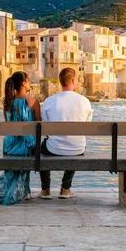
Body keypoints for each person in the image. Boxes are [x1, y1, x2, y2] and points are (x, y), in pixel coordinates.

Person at [38, 67, 92, 200]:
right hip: (77, 148)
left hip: (53, 148)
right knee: (75, 143)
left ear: (60, 82)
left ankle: (45, 190)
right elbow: (87, 123)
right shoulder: (84, 101)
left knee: (42, 148)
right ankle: (65, 189)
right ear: (73, 81)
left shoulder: (50, 101)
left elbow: (45, 124)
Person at [0, 71, 41, 206]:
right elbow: (39, 125)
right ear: (24, 83)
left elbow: (8, 124)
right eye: (29, 80)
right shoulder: (33, 101)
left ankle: (17, 189)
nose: (30, 83)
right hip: (27, 144)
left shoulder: (7, 102)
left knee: (19, 147)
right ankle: (25, 190)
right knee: (29, 143)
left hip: (9, 144)